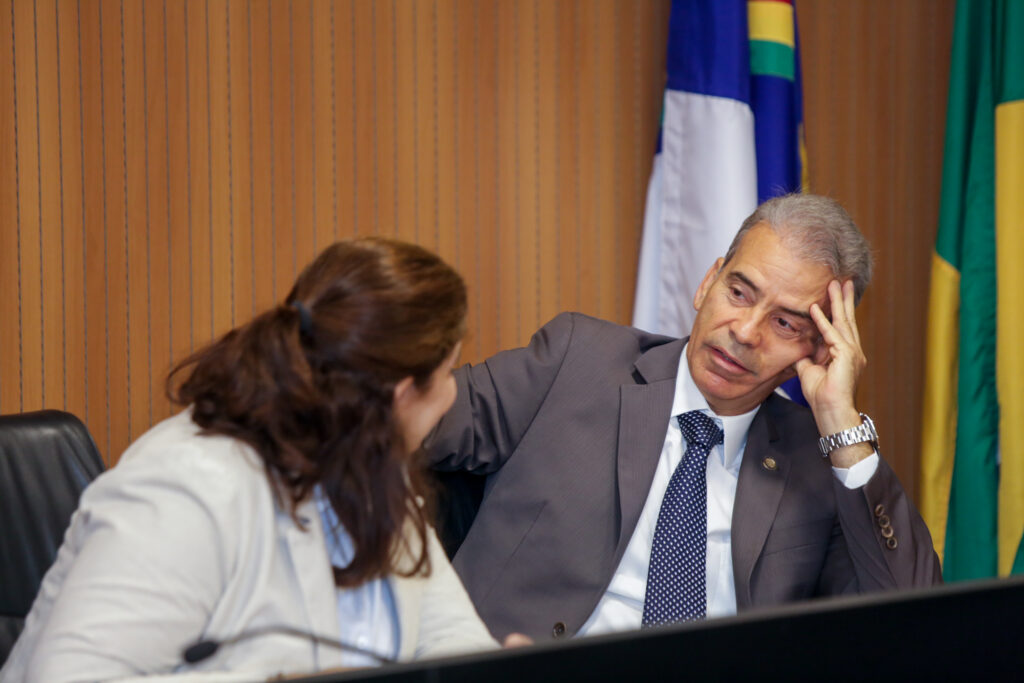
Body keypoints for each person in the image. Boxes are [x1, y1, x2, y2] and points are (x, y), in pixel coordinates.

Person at [427, 194, 941, 642]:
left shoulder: (818, 464)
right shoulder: (575, 363)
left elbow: (916, 624)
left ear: (821, 350)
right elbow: (409, 423)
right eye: (738, 292)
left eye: (785, 323)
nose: (745, 331)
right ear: (706, 282)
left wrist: (841, 423)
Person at [1, 238, 501, 682]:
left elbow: (447, 638)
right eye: (448, 372)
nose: (453, 394)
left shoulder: (374, 476)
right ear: (400, 394)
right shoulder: (189, 484)